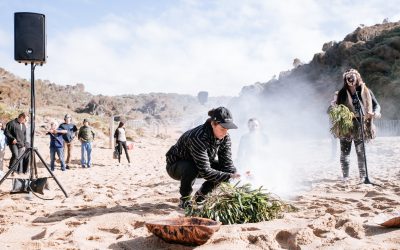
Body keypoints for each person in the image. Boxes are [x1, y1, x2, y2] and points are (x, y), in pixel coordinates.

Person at [166, 107, 241, 208]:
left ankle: (201, 196)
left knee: (225, 171)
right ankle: (185, 199)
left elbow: (227, 163)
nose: (225, 132)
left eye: (227, 129)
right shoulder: (198, 137)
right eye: (222, 128)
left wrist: (237, 175)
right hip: (176, 166)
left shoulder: (225, 137)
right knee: (191, 167)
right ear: (213, 124)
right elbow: (205, 171)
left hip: (200, 164)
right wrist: (229, 176)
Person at [335, 68, 381, 182]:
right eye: (348, 78)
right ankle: (345, 177)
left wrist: (374, 113)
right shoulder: (342, 93)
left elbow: (377, 105)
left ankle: (363, 177)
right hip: (346, 124)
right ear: (345, 80)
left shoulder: (366, 91)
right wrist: (336, 109)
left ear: (357, 78)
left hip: (361, 123)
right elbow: (337, 108)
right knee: (345, 152)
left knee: (360, 151)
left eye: (352, 77)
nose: (350, 80)